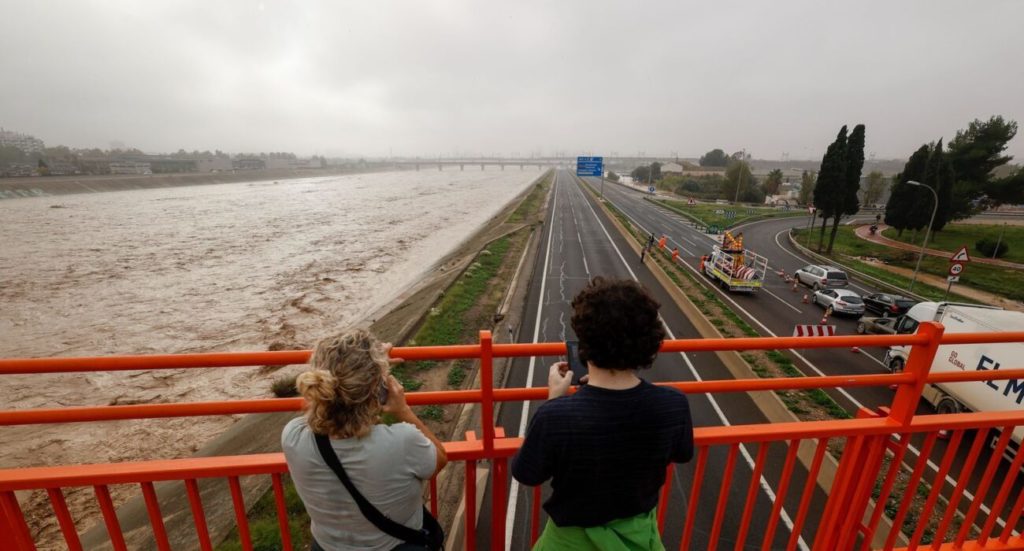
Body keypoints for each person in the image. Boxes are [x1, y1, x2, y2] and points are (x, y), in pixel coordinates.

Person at [512, 277, 694, 550]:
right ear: (649, 343)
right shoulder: (673, 404)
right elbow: (682, 453)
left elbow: (527, 473)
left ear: (584, 343)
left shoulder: (556, 417)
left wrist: (554, 400)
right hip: (640, 540)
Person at [282, 329, 448, 551]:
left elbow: (326, 414)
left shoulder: (293, 436)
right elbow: (440, 458)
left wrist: (368, 373)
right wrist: (403, 410)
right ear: (377, 389)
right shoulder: (402, 442)